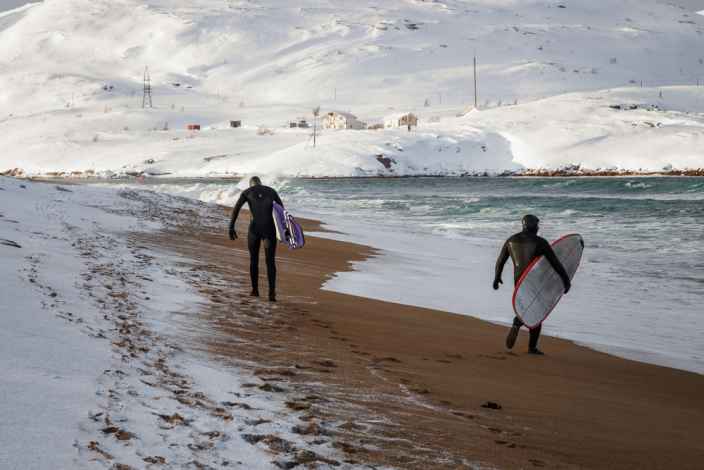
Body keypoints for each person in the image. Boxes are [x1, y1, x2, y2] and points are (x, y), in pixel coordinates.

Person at [493, 215, 571, 355]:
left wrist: (497, 277)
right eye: (537, 225)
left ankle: (519, 323)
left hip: (519, 281)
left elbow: (500, 261)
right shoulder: (540, 242)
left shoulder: (511, 240)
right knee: (536, 313)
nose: (538, 227)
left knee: (528, 307)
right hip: (535, 281)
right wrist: (566, 280)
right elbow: (555, 264)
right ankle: (530, 345)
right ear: (533, 226)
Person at [229, 176, 283, 302]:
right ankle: (271, 293)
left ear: (250, 184)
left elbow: (236, 210)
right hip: (269, 231)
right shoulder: (271, 191)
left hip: (254, 230)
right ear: (260, 183)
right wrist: (284, 231)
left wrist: (231, 227)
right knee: (270, 262)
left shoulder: (247, 192)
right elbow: (282, 211)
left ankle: (255, 290)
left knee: (254, 260)